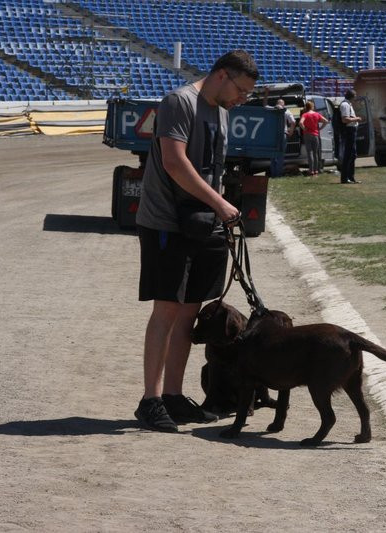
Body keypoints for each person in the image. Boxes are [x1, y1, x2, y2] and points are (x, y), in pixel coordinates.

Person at [133, 50, 259, 432]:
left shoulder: (221, 111)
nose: (242, 99)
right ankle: (151, 400)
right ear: (222, 75)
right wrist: (220, 203)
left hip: (203, 224)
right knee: (167, 309)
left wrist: (218, 209)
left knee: (190, 311)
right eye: (241, 90)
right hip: (167, 222)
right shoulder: (179, 102)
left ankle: (173, 396)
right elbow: (175, 162)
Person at [298, 100, 328, 176]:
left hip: (307, 134)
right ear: (312, 107)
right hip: (315, 134)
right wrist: (320, 128)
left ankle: (311, 170)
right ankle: (316, 170)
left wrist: (304, 129)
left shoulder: (305, 114)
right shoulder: (317, 114)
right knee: (315, 153)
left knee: (309, 152)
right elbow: (326, 121)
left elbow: (300, 123)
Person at [339, 89, 362, 184]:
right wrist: (357, 119)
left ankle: (351, 177)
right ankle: (345, 178)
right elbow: (344, 119)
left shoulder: (349, 104)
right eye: (355, 96)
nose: (355, 98)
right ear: (352, 96)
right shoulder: (345, 105)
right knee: (348, 155)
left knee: (353, 155)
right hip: (349, 131)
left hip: (352, 130)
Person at [269, 98, 295, 178]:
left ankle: (273, 174)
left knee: (272, 155)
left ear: (276, 104)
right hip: (282, 134)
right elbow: (293, 122)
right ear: (283, 104)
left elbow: (265, 105)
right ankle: (278, 174)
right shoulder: (286, 111)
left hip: (272, 135)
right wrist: (291, 132)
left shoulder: (271, 110)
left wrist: (266, 94)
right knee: (280, 155)